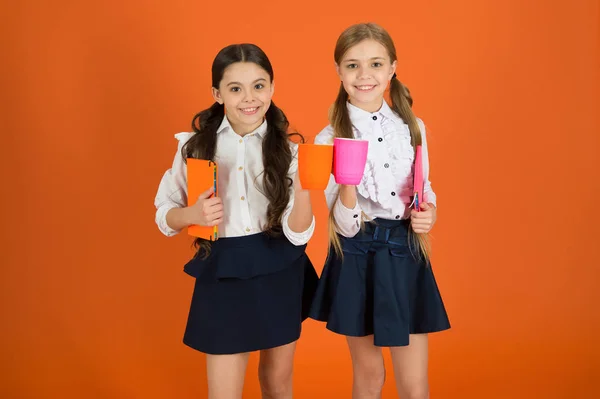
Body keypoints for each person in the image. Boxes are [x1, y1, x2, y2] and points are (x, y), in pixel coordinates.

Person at [154, 43, 319, 399]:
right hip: (223, 268)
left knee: (277, 383)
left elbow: (298, 232)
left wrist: (306, 189)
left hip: (280, 268)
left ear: (272, 88)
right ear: (217, 93)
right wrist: (192, 215)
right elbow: (163, 213)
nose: (250, 98)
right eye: (235, 88)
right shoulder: (195, 147)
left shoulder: (290, 152)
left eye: (259, 86)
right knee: (223, 392)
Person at [309, 23, 451, 399]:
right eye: (352, 65)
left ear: (392, 68)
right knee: (369, 376)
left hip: (405, 251)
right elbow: (342, 224)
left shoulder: (412, 127)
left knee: (415, 382)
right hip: (357, 254)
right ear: (339, 71)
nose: (364, 75)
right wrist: (348, 186)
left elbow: (424, 187)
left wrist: (429, 212)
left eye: (375, 63)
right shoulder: (328, 139)